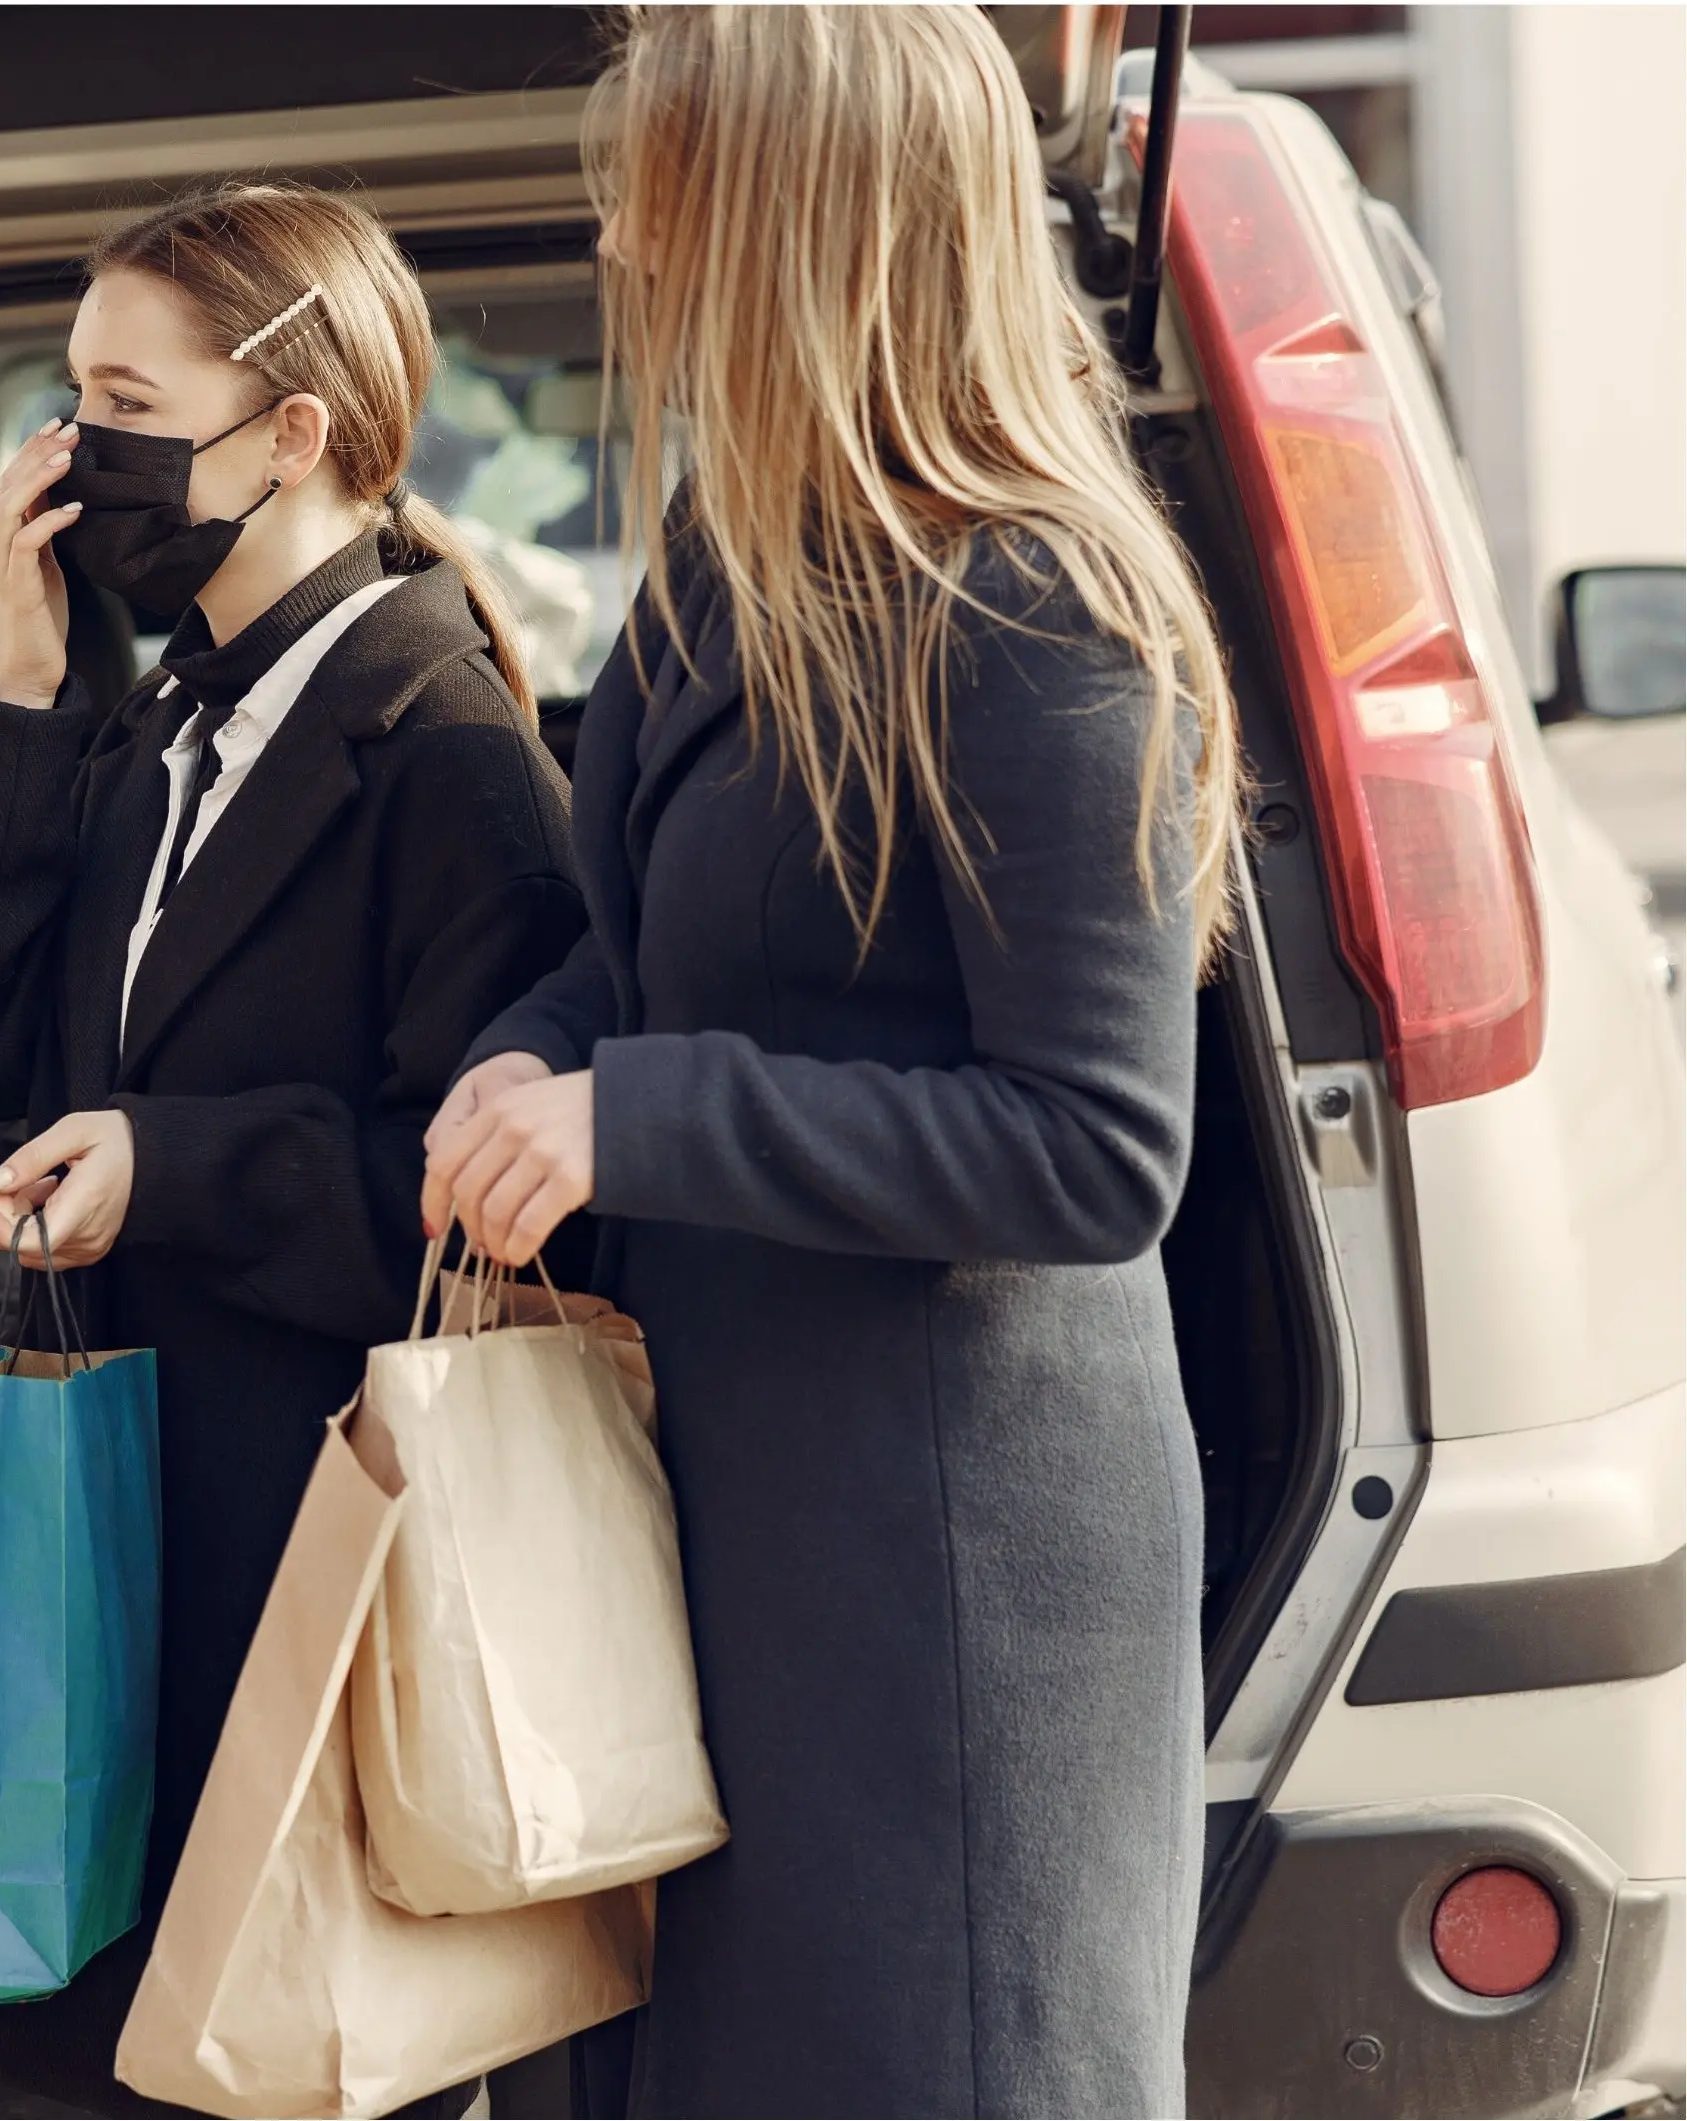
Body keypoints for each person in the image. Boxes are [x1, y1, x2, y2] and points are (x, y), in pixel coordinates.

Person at [424, 9, 1241, 2116]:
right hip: (735, 1526)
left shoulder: (1040, 597)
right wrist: (520, 1069)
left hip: (942, 1594)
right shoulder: (736, 555)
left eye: (656, 191)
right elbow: (641, 948)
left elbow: (1094, 1148)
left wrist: (634, 1121)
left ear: (798, 223)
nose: (616, 239)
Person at [0, 184, 587, 2107]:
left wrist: (168, 1165)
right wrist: (19, 677)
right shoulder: (158, 716)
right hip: (110, 1546)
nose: (66, 454)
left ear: (293, 435)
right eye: (66, 397)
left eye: (116, 398)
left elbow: (485, 1211)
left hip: (305, 1571)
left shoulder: (442, 753)